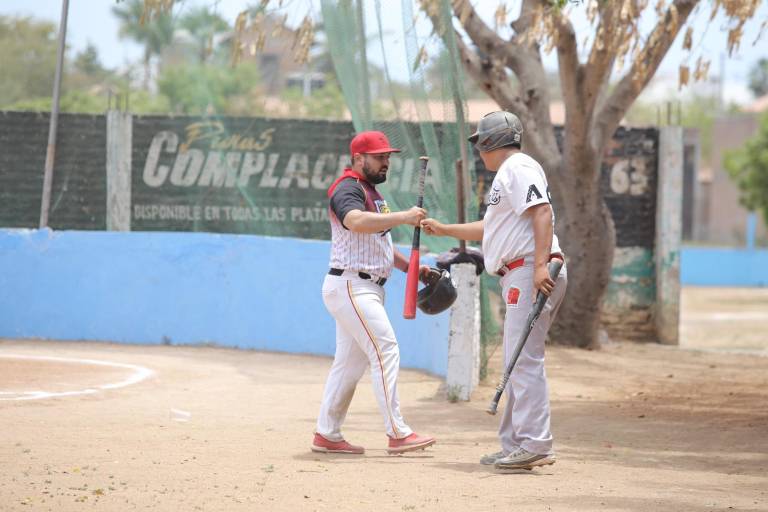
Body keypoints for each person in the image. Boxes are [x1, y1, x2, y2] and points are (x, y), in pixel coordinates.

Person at [421, 111, 567, 470]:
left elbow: (543, 212)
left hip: (527, 271)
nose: (478, 151)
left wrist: (537, 266)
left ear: (490, 142)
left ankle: (535, 442)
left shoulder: (517, 168)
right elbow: (490, 228)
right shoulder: (510, 174)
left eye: (479, 143)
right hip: (521, 272)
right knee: (516, 359)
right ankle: (516, 443)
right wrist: (444, 229)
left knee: (523, 360)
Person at [312, 130, 436, 456]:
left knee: (349, 366)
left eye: (388, 157)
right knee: (386, 350)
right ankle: (398, 432)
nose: (386, 162)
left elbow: (377, 240)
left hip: (363, 287)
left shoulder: (371, 193)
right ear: (358, 158)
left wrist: (412, 268)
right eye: (379, 157)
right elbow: (354, 221)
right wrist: (405, 217)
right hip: (352, 286)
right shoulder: (348, 188)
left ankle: (327, 433)